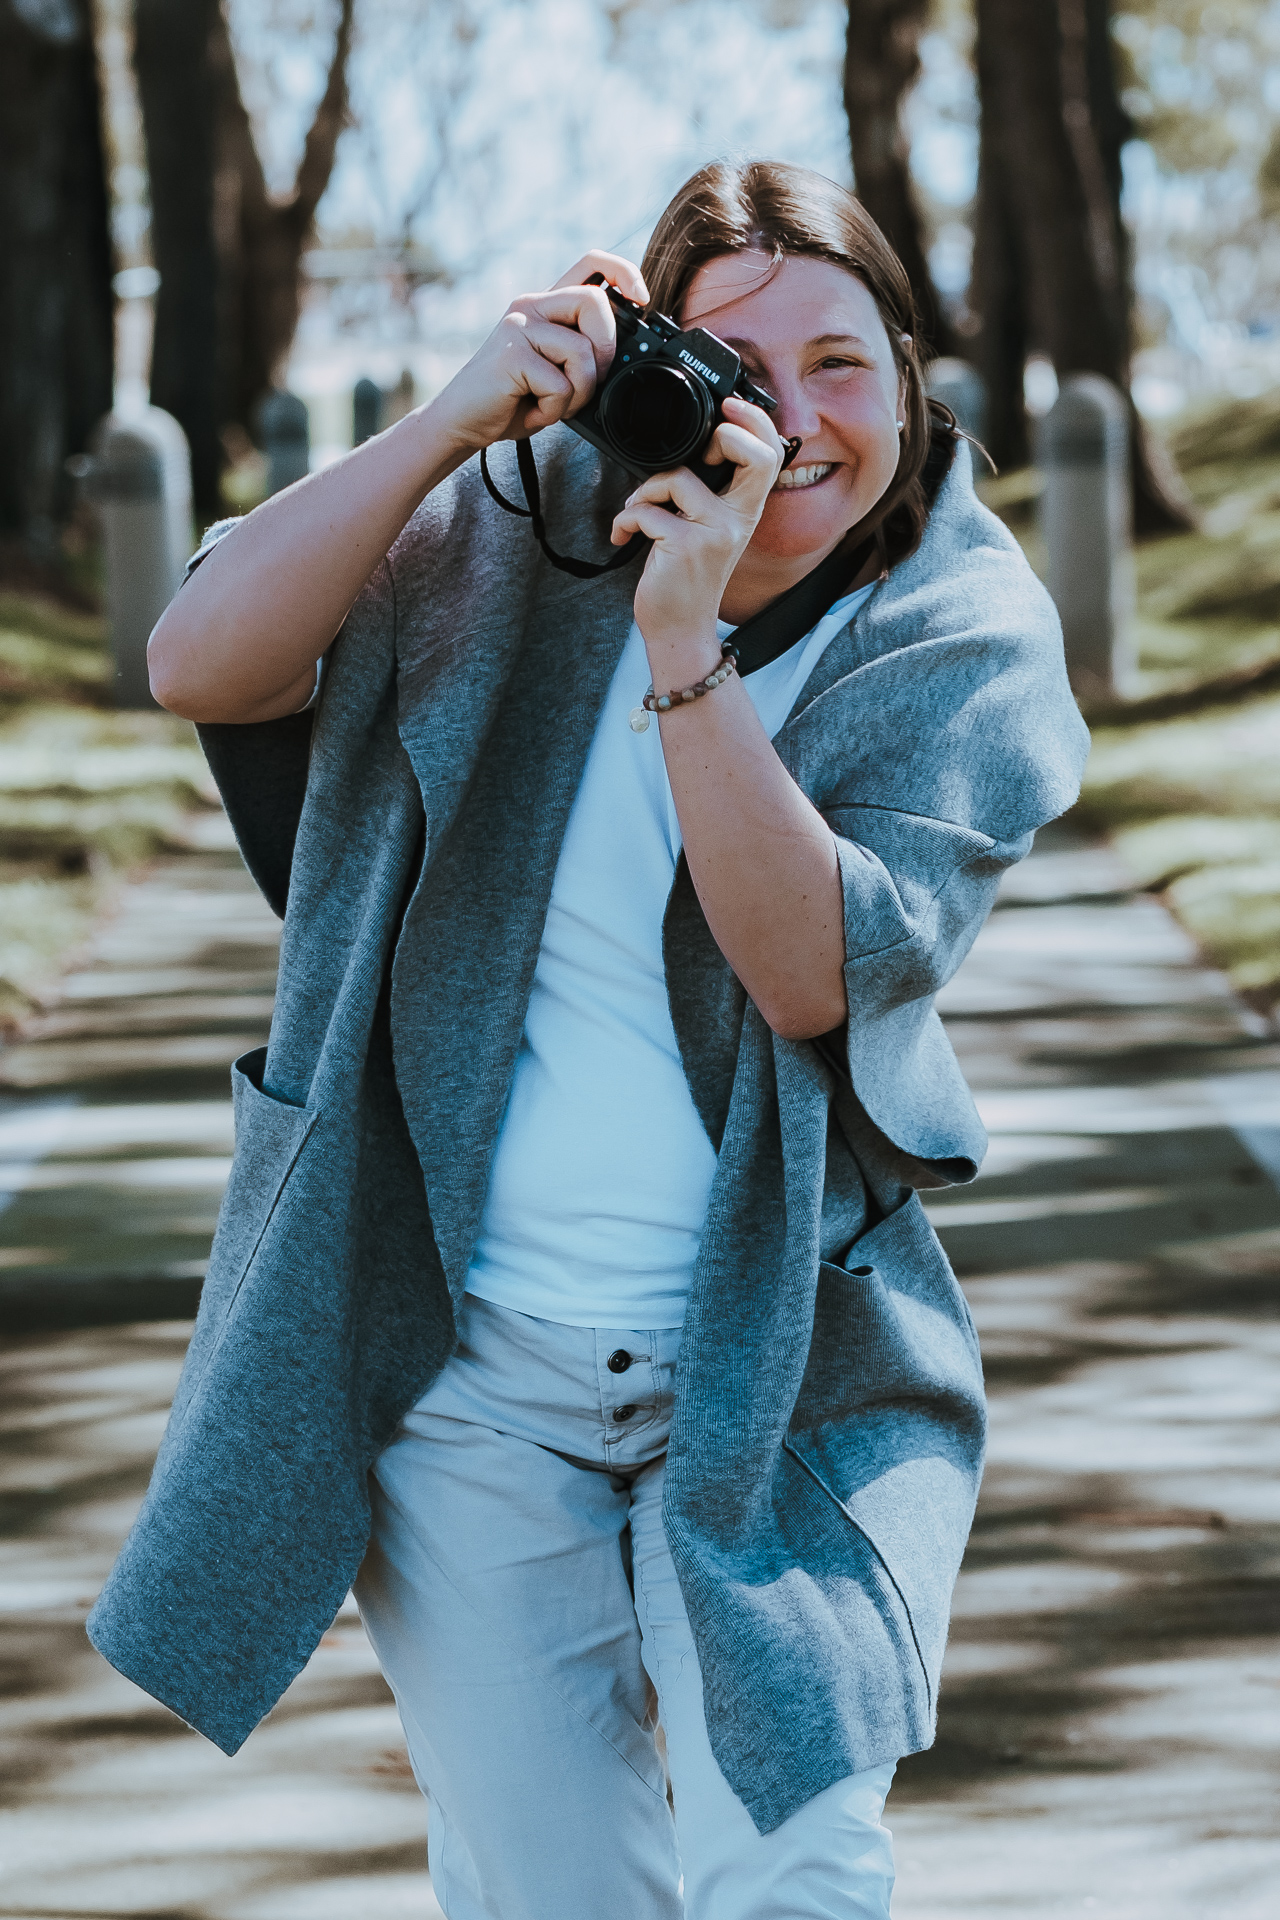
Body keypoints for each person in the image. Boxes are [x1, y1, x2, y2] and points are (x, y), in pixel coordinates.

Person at [88, 160, 1089, 1919]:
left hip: (784, 1369)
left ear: (910, 377)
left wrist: (685, 647)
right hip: (468, 1373)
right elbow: (203, 664)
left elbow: (814, 973)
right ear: (652, 374)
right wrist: (452, 420)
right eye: (737, 370)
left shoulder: (960, 628)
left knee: (798, 1876)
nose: (797, 422)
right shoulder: (525, 516)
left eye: (842, 364)